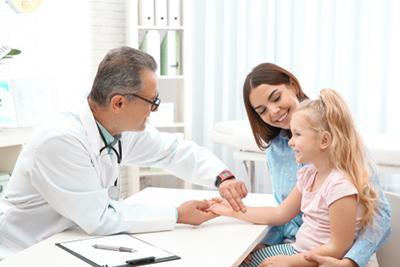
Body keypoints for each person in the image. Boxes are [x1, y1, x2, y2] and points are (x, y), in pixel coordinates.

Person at [0, 46, 247, 258]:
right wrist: (177, 214)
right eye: (153, 102)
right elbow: (99, 217)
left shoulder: (117, 128)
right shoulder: (60, 140)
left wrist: (222, 177)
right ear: (118, 102)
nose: (154, 110)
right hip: (27, 251)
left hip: (73, 241)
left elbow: (172, 150)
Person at [239, 63, 391, 267]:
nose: (273, 111)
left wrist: (350, 262)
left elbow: (379, 217)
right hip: (299, 247)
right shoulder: (282, 153)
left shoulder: (341, 161)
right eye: (262, 110)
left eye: (276, 98)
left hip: (339, 257)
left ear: (292, 85)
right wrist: (265, 244)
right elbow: (284, 214)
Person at [210, 88, 380, 266]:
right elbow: (279, 214)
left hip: (321, 260)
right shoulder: (308, 175)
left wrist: (292, 262)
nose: (290, 141)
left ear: (324, 140)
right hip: (298, 250)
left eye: (297, 134)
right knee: (240, 261)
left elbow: (338, 247)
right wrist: (231, 210)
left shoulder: (339, 186)